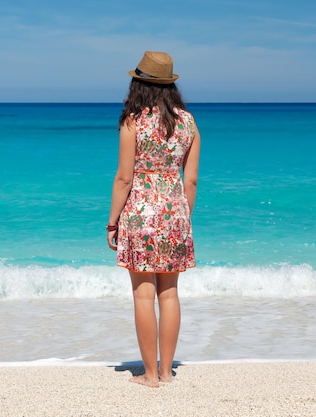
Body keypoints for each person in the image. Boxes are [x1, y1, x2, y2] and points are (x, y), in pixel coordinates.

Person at [107, 51, 200, 388]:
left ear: (138, 83)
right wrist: (182, 218)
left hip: (140, 216)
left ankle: (149, 374)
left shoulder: (133, 122)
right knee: (170, 294)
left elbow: (124, 179)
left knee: (144, 295)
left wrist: (112, 222)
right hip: (175, 215)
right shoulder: (188, 123)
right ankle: (165, 371)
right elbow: (190, 181)